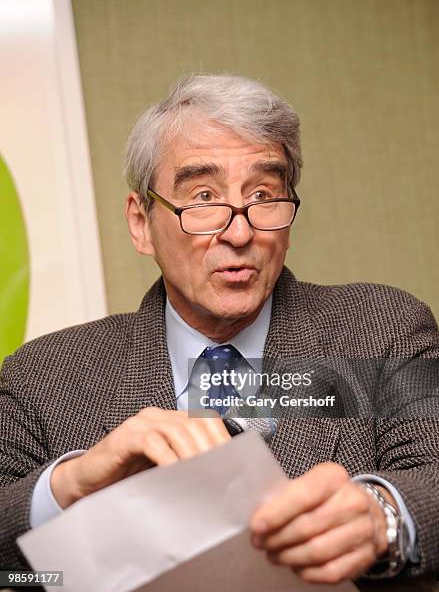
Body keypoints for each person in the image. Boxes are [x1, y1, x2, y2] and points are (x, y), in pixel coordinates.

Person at [1, 74, 438, 587]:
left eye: (263, 194)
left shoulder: (380, 328)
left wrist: (382, 516)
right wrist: (66, 487)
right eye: (204, 197)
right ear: (141, 222)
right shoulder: (43, 376)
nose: (238, 231)